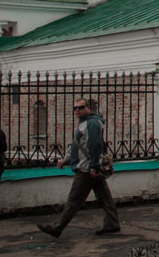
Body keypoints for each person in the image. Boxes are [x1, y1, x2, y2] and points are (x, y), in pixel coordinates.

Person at [37, 98, 120, 238]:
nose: (77, 110)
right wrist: (65, 160)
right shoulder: (84, 123)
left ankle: (57, 228)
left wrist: (93, 167)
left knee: (74, 200)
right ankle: (112, 224)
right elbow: (77, 145)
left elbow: (95, 146)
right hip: (88, 167)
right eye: (75, 108)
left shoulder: (92, 124)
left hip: (86, 169)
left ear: (88, 107)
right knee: (105, 197)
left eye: (80, 107)